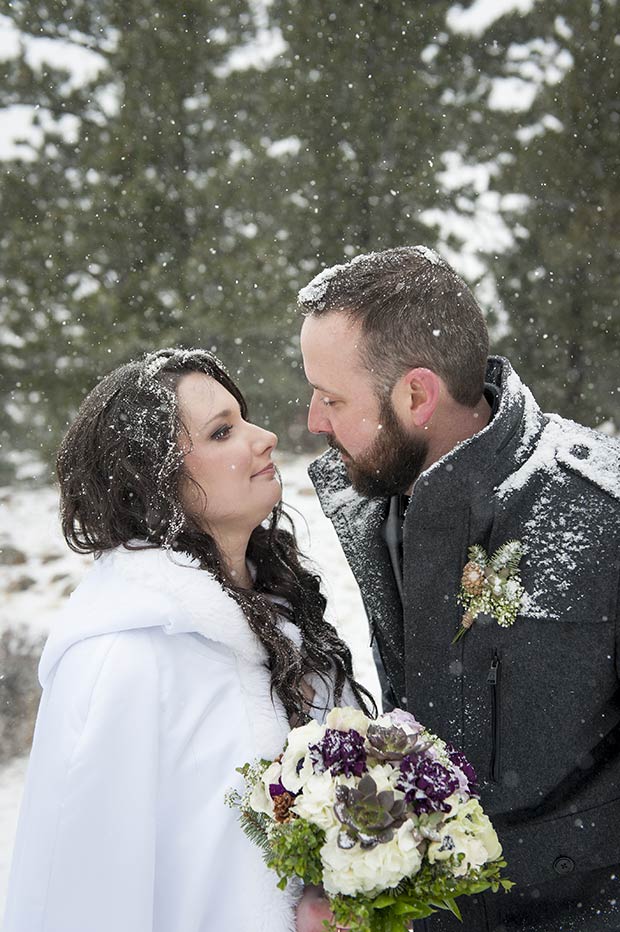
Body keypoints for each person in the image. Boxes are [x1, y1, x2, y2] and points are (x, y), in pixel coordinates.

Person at [297, 246, 620, 932]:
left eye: (331, 397)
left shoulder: (604, 510)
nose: (312, 422)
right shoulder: (376, 495)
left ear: (417, 395)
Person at [3, 347, 374, 932]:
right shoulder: (123, 659)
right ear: (153, 481)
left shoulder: (285, 623)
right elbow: (79, 899)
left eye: (243, 418)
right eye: (223, 432)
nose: (266, 437)